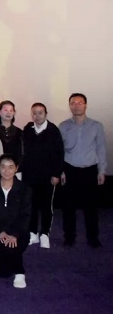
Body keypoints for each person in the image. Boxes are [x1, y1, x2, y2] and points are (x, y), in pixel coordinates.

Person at [59, 93, 107, 248]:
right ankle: (69, 237)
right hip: (69, 169)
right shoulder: (63, 126)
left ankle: (93, 237)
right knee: (68, 208)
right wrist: (61, 170)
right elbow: (59, 151)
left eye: (80, 102)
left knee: (91, 208)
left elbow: (101, 149)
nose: (76, 106)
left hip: (89, 171)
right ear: (69, 106)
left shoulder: (96, 126)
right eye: (73, 103)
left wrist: (101, 170)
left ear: (85, 105)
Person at [21, 103, 64, 249]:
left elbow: (59, 153)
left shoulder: (53, 130)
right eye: (34, 113)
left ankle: (45, 233)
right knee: (31, 206)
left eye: (40, 113)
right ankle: (33, 233)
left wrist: (56, 174)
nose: (37, 116)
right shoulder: (28, 129)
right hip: (30, 176)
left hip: (47, 177)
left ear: (46, 114)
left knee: (46, 206)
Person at [0, 154, 31, 289]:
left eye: (11, 167)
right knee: (3, 272)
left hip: (18, 232)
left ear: (16, 168)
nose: (7, 171)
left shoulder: (24, 189)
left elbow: (26, 215)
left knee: (12, 248)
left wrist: (14, 234)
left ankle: (20, 271)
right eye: (3, 167)